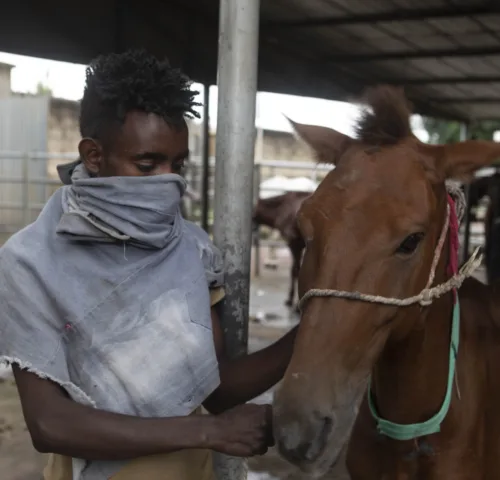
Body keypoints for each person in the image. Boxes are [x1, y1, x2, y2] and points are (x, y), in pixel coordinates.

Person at [0, 49, 297, 480]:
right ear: (94, 156)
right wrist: (208, 432)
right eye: (147, 165)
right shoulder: (29, 264)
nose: (168, 183)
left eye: (178, 165)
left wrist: (317, 329)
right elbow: (49, 424)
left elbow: (217, 387)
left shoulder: (189, 248)